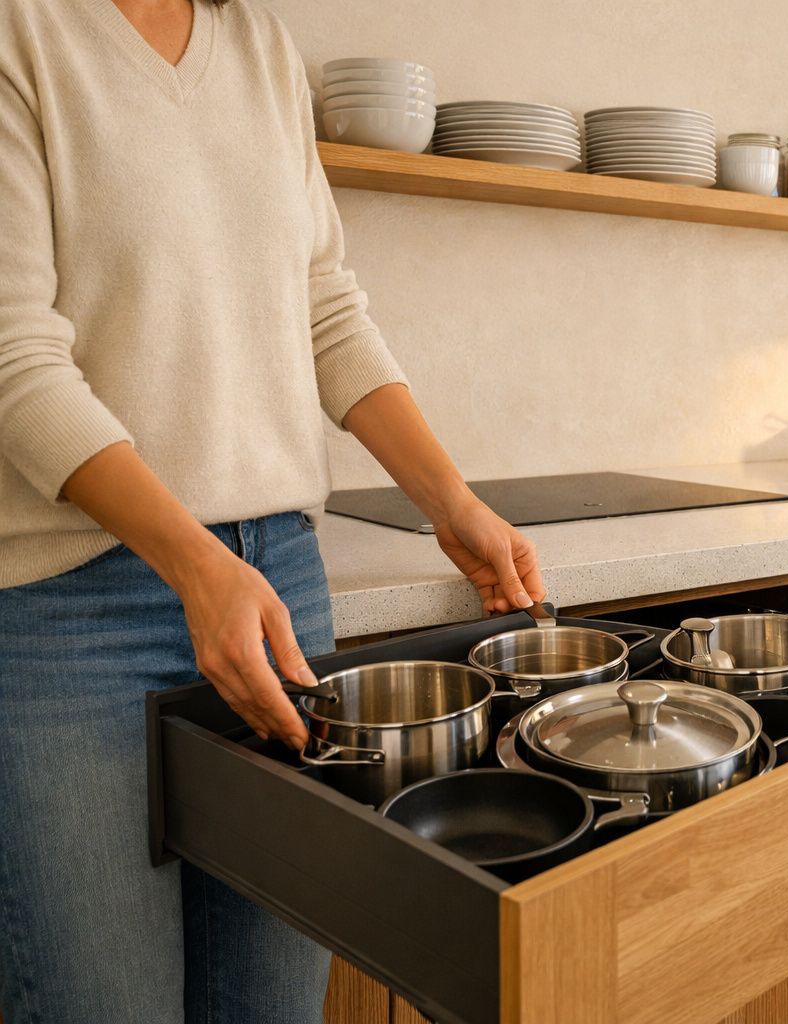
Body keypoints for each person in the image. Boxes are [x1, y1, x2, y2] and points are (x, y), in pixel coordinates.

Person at [0, 0, 544, 1020]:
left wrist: (453, 503)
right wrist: (196, 563)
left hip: (279, 585)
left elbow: (324, 303)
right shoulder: (23, 32)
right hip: (72, 614)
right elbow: (12, 357)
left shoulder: (259, 45)